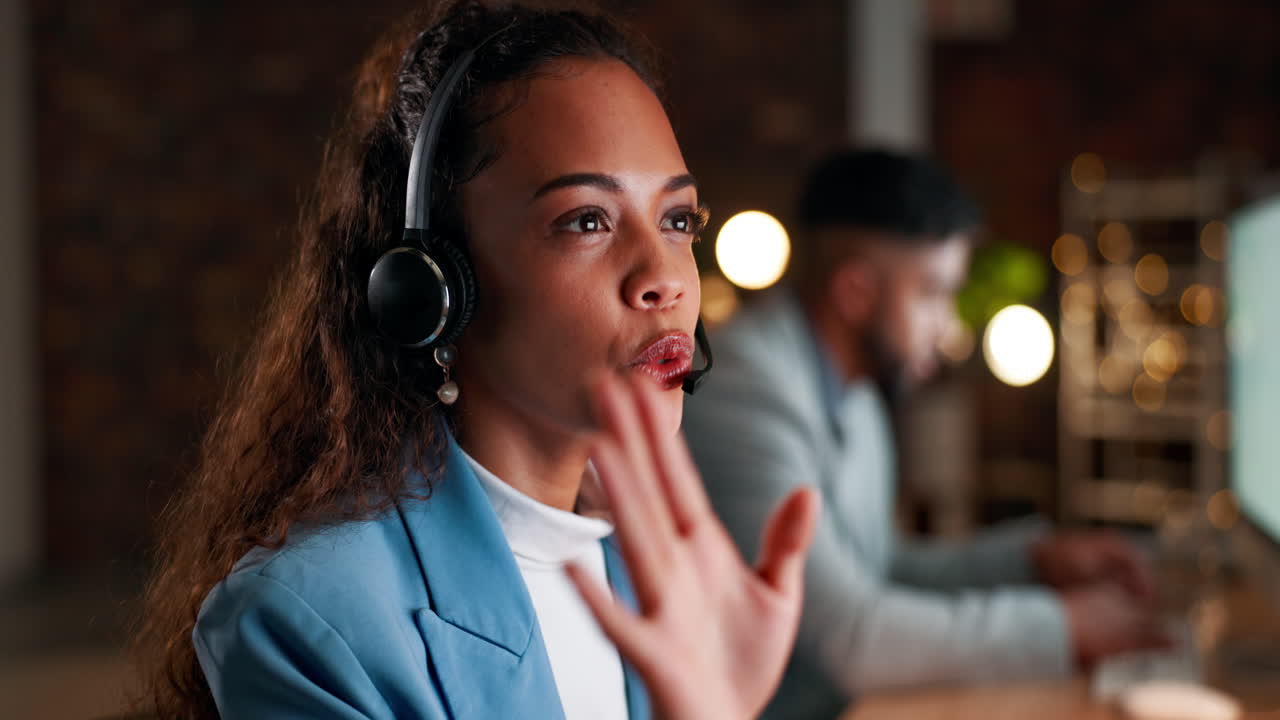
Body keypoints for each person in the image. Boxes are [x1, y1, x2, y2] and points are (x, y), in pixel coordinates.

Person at [135, 3, 819, 719]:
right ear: (433, 289)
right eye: (587, 220)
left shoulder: (667, 581)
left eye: (677, 220)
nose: (666, 278)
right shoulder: (307, 623)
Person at [681, 148, 1169, 719]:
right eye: (934, 293)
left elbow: (881, 569)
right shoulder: (745, 388)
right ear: (855, 292)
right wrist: (1065, 628)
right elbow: (850, 635)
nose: (950, 325)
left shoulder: (856, 390)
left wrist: (1036, 562)